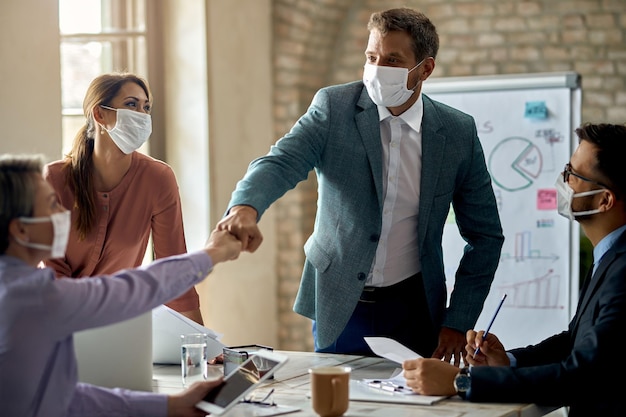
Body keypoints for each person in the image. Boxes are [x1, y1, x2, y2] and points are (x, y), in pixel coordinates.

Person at [217, 7, 503, 363]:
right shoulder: (334, 108)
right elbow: (282, 161)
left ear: (425, 68)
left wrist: (458, 321)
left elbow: (486, 236)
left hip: (414, 305)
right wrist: (245, 207)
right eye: (372, 57)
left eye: (393, 60)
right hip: (339, 299)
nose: (378, 70)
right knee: (339, 402)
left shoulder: (457, 132)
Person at [402, 123, 626, 416]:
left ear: (604, 200)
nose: (562, 180)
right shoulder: (609, 256)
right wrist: (507, 360)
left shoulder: (622, 270)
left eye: (573, 175)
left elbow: (583, 374)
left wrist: (463, 382)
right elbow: (575, 342)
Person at [0, 154, 242, 417]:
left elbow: (62, 397)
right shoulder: (29, 297)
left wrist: (171, 406)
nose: (63, 213)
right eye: (52, 205)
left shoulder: (20, 288)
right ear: (21, 230)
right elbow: (134, 289)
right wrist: (214, 252)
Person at [43, 73, 204, 324]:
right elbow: (53, 271)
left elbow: (172, 271)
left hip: (118, 325)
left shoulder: (158, 178)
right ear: (100, 115)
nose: (142, 114)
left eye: (146, 107)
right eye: (131, 104)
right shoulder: (54, 180)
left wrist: (200, 343)